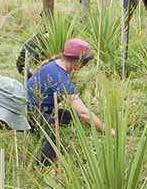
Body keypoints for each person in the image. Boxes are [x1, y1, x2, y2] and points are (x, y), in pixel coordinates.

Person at [26, 37, 105, 166]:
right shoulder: (59, 76)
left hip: (41, 108)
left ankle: (65, 146)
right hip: (28, 110)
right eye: (85, 62)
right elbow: (83, 112)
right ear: (75, 61)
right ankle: (44, 167)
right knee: (51, 129)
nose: (86, 66)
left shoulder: (55, 64)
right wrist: (106, 130)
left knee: (68, 117)